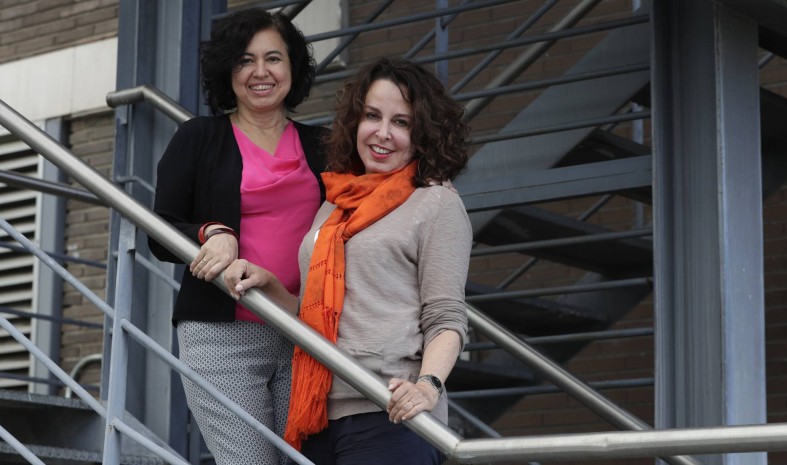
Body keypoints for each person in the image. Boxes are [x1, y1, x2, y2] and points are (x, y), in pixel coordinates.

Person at [224, 57, 472, 465]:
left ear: (424, 133)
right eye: (372, 116)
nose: (382, 133)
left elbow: (445, 315)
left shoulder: (436, 203)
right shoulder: (336, 204)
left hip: (387, 414)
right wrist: (270, 284)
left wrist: (428, 386)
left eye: (402, 122)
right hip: (316, 413)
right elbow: (318, 316)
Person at [147, 8, 327, 465]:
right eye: (245, 60)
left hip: (306, 333)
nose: (261, 72)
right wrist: (212, 231)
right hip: (220, 336)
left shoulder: (325, 145)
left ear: (293, 68)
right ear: (228, 71)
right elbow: (158, 231)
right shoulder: (198, 138)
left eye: (274, 58)